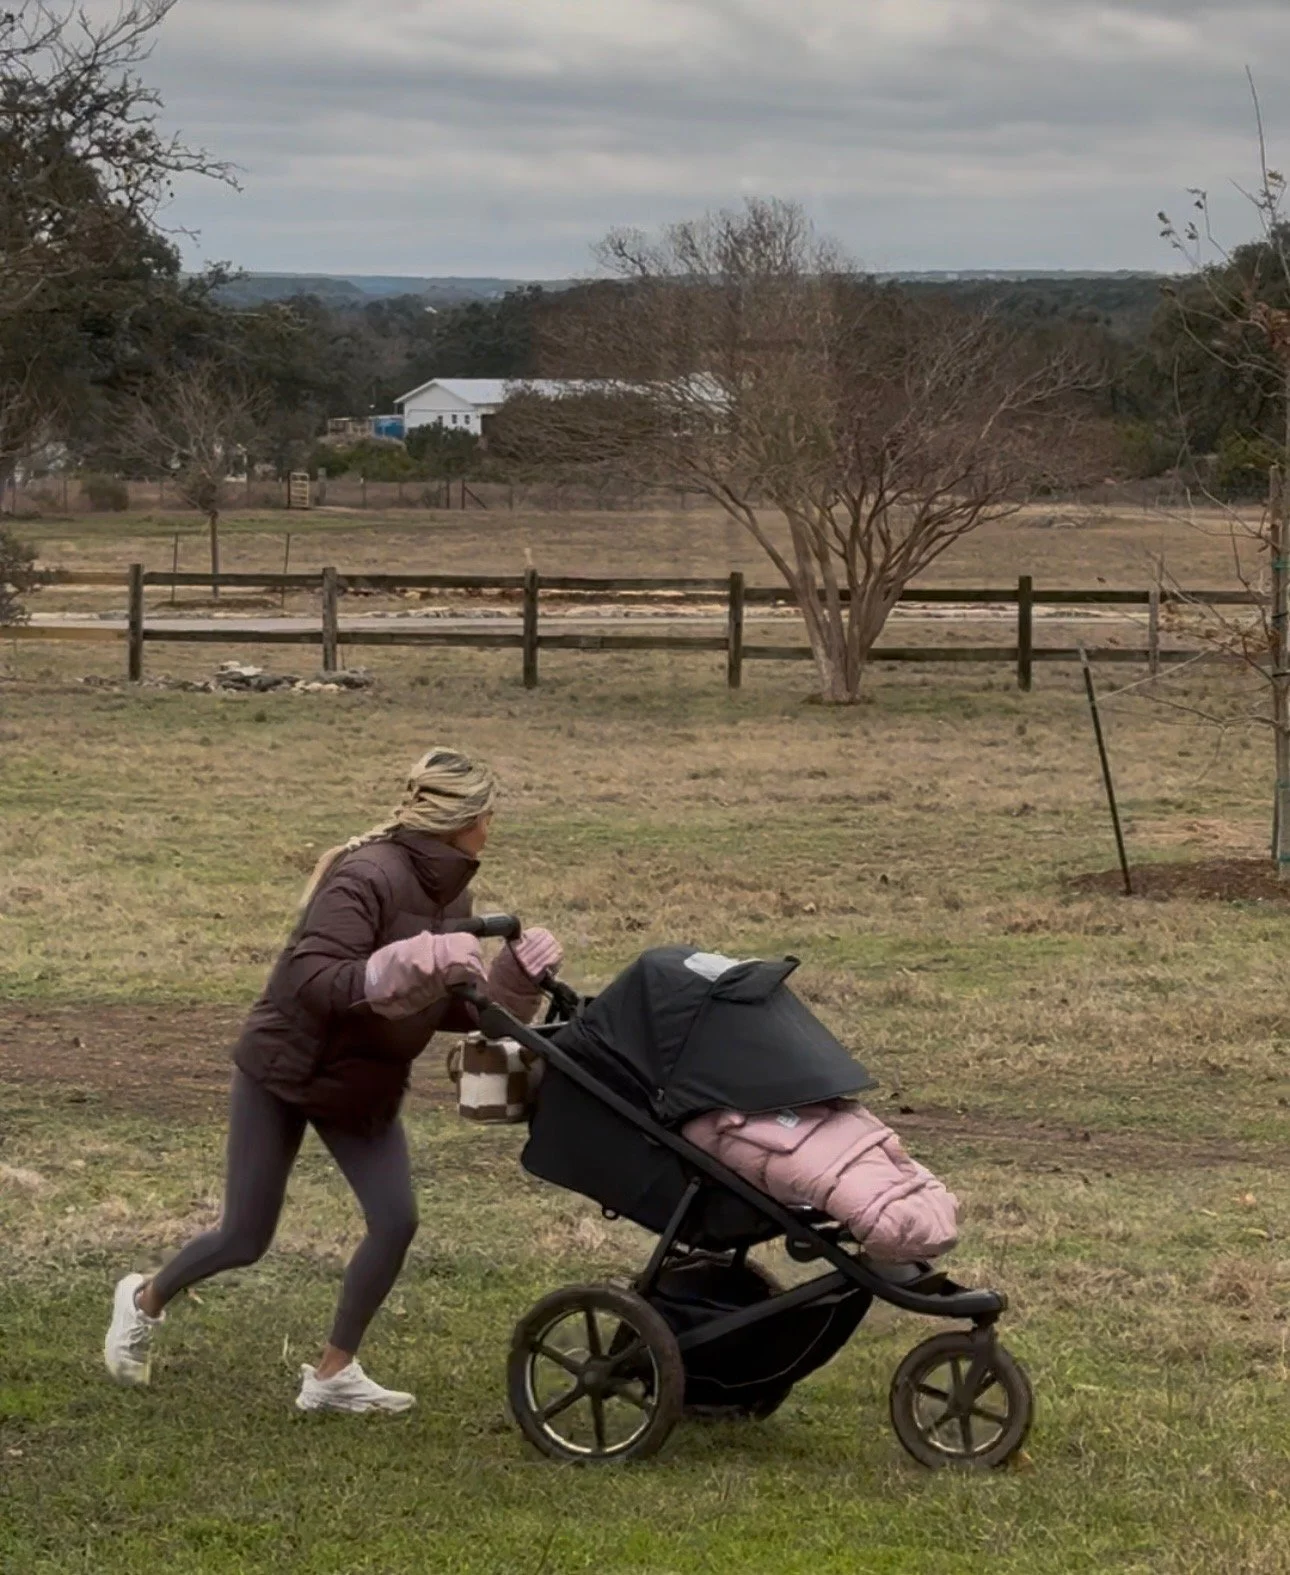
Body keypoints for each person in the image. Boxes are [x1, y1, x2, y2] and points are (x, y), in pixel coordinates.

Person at [103, 747, 562, 1415]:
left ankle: (331, 1374)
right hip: (286, 1067)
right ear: (460, 817)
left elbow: (442, 1003)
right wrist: (407, 960)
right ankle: (143, 1300)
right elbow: (311, 980)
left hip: (363, 1081)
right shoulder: (366, 876)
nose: (493, 826)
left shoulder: (450, 890)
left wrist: (511, 986)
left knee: (396, 1219)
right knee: (246, 1235)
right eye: (489, 814)